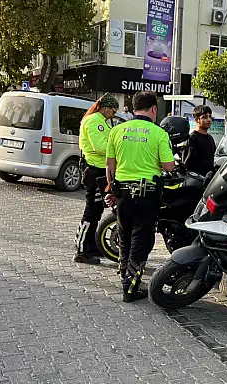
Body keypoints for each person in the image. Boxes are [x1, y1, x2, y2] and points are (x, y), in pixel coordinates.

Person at [105, 91, 175, 302]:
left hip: (123, 194)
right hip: (147, 195)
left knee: (125, 237)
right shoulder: (158, 133)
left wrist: (111, 190)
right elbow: (168, 166)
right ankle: (131, 287)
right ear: (154, 109)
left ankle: (125, 277)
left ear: (133, 107)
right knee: (141, 240)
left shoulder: (116, 131)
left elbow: (110, 166)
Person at [73, 94, 119, 265]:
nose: (113, 114)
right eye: (113, 110)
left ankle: (90, 245)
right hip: (94, 170)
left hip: (100, 171)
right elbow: (100, 147)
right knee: (91, 211)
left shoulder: (102, 122)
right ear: (105, 107)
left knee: (98, 210)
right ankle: (81, 250)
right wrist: (117, 147)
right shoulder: (94, 121)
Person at [181, 105, 216, 176]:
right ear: (197, 120)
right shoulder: (192, 139)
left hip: (210, 181)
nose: (209, 120)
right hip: (196, 181)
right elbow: (186, 164)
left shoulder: (210, 138)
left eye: (210, 117)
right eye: (205, 117)